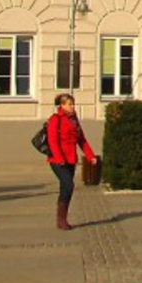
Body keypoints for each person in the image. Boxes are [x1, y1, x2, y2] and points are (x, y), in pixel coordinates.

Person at [45, 93, 96, 230]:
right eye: (69, 104)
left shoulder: (74, 120)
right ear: (62, 105)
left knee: (65, 188)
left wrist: (90, 156)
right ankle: (61, 219)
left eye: (73, 104)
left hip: (71, 159)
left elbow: (81, 140)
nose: (72, 106)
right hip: (57, 160)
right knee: (69, 185)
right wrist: (59, 159)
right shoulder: (55, 119)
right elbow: (52, 141)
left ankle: (62, 219)